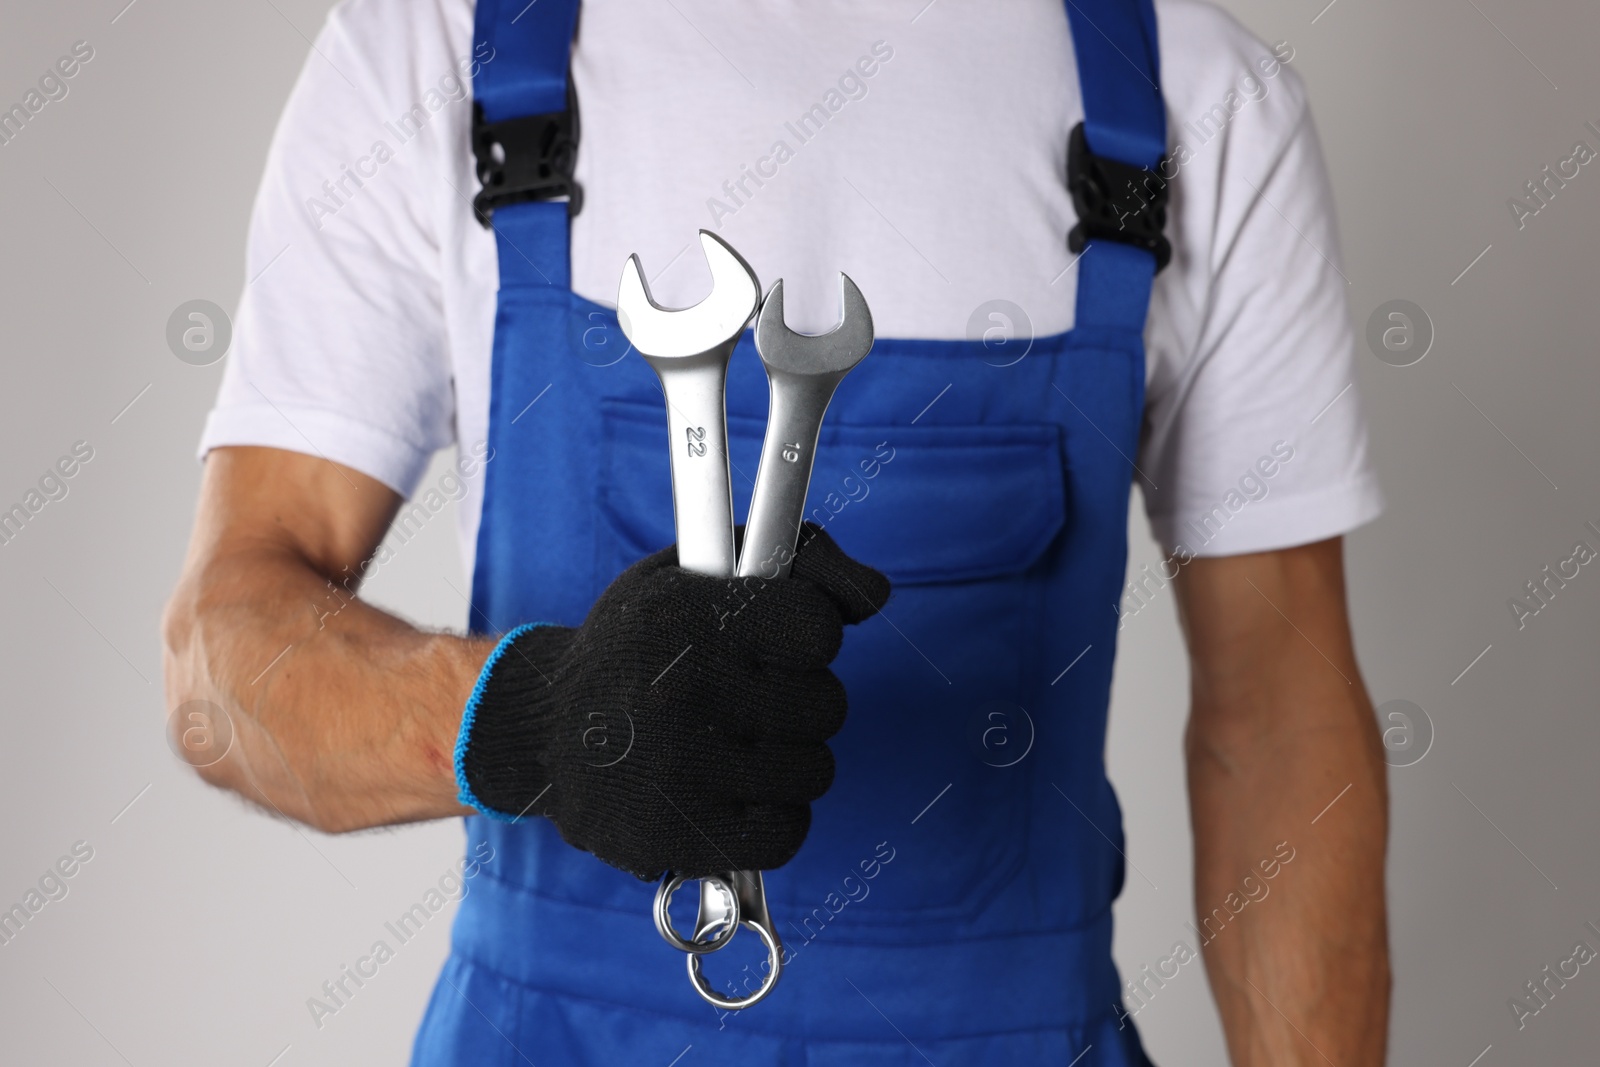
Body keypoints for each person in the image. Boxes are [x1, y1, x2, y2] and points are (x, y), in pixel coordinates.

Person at [162, 0, 1391, 1062]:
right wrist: (539, 716)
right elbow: (226, 650)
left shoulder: (1199, 102)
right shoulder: (435, 52)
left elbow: (1275, 712)